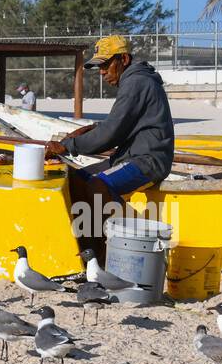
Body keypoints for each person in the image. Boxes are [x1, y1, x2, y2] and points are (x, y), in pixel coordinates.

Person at [43, 35, 174, 253]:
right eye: (100, 67)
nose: (102, 72)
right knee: (76, 178)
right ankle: (86, 243)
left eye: (106, 65)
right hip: (132, 156)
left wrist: (69, 146)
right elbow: (117, 123)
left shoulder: (136, 82)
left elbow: (112, 133)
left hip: (148, 160)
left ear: (123, 59)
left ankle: (110, 247)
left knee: (97, 185)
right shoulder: (134, 80)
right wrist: (90, 129)